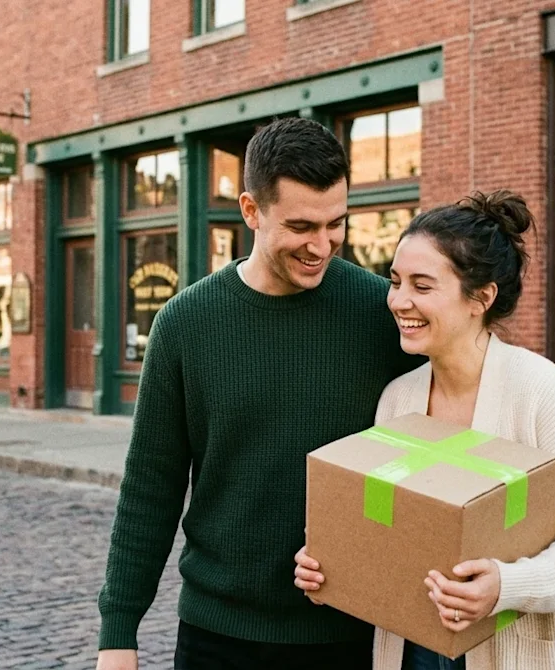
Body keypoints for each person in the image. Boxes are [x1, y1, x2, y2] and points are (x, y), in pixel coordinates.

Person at [96, 117, 421, 670]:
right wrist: (118, 634)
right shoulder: (184, 324)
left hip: (349, 633)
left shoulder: (381, 314)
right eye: (300, 227)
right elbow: (152, 485)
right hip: (216, 634)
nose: (322, 245)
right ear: (251, 210)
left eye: (335, 224)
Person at [294, 190, 555, 670]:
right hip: (413, 649)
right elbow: (388, 531)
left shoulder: (540, 393)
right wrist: (333, 565)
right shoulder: (399, 399)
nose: (399, 301)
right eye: (396, 281)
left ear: (481, 298)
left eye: (422, 286)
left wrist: (505, 586)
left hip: (515, 652)